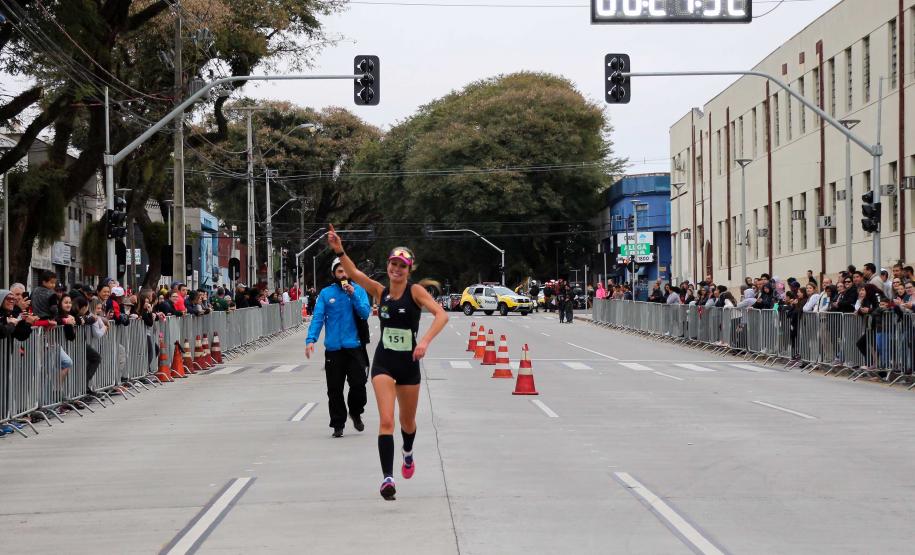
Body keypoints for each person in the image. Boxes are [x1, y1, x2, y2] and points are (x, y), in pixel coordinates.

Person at [326, 225, 448, 501]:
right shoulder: (380, 293)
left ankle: (407, 452)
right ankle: (387, 479)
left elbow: (441, 315)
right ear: (388, 265)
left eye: (402, 266)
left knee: (407, 422)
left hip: (408, 365)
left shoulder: (415, 292)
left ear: (409, 269)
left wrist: (424, 341)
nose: (396, 269)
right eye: (393, 264)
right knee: (386, 420)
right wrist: (339, 249)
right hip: (384, 363)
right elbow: (355, 273)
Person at [306, 257, 372, 438]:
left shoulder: (359, 290)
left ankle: (356, 412)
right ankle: (338, 423)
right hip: (334, 349)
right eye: (339, 271)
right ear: (334, 273)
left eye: (346, 271)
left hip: (355, 347)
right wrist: (310, 340)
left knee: (359, 385)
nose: (343, 275)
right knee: (334, 389)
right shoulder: (326, 294)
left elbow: (365, 312)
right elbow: (318, 318)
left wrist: (353, 295)